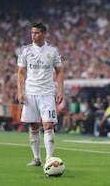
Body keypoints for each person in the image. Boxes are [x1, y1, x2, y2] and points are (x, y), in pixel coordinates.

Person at [17, 22, 64, 167]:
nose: (33, 35)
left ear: (44, 34)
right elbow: (21, 72)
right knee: (34, 126)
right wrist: (20, 91)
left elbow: (59, 71)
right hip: (30, 92)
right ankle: (37, 159)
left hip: (47, 93)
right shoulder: (25, 50)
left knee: (48, 124)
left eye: (36, 33)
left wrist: (60, 90)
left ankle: (49, 159)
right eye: (32, 33)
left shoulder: (53, 50)